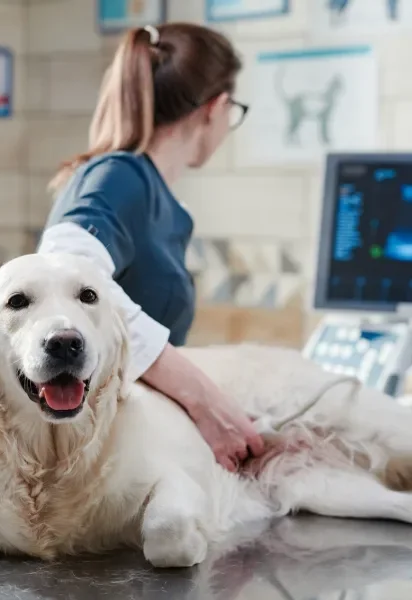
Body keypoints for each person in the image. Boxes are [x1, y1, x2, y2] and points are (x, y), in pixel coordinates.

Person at [37, 22, 264, 471]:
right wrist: (205, 401)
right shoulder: (121, 176)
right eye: (233, 110)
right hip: (102, 461)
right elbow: (61, 274)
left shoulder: (149, 192)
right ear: (215, 108)